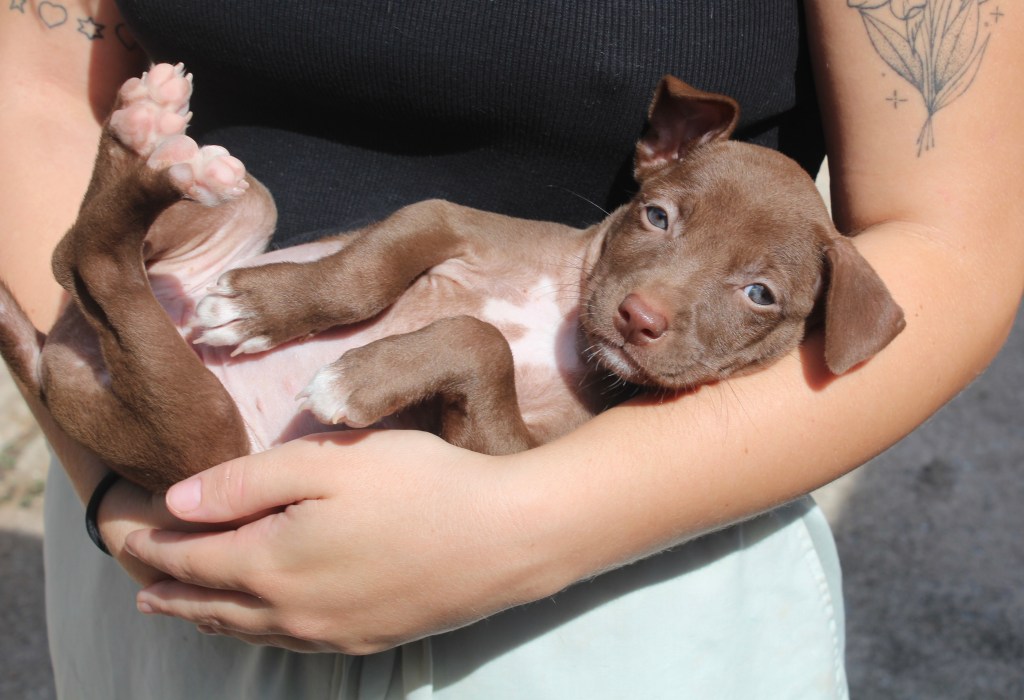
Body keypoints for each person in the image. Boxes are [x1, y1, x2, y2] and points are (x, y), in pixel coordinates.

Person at [2, 1, 1021, 697]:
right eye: (659, 221)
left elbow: (959, 242)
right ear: (662, 155)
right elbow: (32, 80)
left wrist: (524, 528)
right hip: (173, 537)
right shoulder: (566, 252)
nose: (652, 305)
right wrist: (118, 485)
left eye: (755, 291)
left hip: (605, 579)